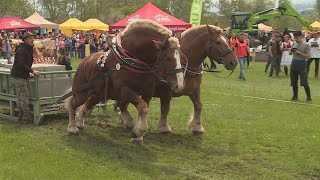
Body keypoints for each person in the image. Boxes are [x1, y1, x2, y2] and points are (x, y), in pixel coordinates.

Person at [10, 32, 40, 122]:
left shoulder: (27, 48)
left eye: (33, 38)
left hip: (21, 75)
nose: (32, 40)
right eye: (30, 38)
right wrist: (32, 71)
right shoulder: (22, 50)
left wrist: (28, 72)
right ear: (25, 40)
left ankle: (21, 115)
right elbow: (21, 64)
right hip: (19, 76)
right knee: (24, 96)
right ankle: (25, 116)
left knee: (20, 96)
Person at [289, 31, 311, 102]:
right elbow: (290, 53)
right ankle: (295, 96)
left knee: (304, 82)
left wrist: (299, 53)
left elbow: (308, 56)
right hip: (294, 64)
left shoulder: (306, 45)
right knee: (294, 82)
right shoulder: (294, 44)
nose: (295, 39)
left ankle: (308, 97)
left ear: (301, 37)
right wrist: (291, 52)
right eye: (294, 38)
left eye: (297, 38)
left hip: (302, 65)